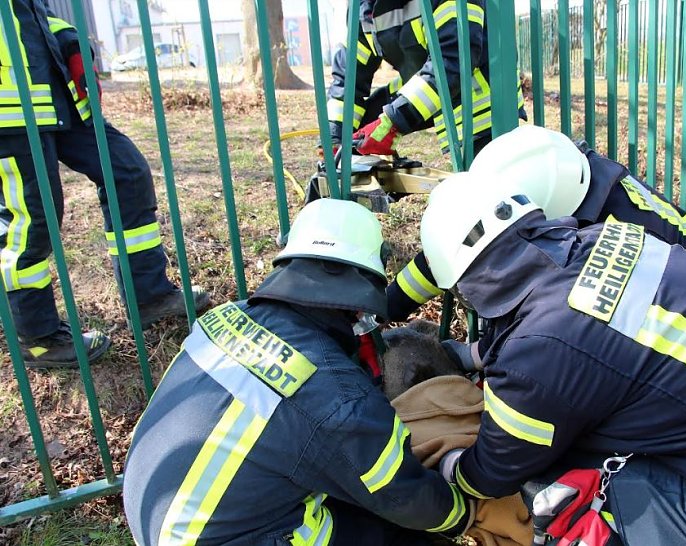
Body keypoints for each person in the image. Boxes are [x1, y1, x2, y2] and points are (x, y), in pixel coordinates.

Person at [418, 174, 686, 545]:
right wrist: (476, 355)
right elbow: (597, 341)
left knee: (568, 490)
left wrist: (450, 466)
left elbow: (494, 472)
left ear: (466, 284)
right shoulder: (611, 238)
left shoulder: (536, 356)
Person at [123, 198, 474, 546]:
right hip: (224, 537)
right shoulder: (337, 397)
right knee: (401, 534)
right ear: (360, 295)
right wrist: (465, 515)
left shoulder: (221, 318)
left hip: (155, 513)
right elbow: (402, 495)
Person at [0, 0, 209, 369]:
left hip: (55, 93)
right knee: (33, 219)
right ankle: (36, 337)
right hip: (11, 109)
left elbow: (33, 17)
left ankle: (148, 296)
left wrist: (73, 46)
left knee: (126, 173)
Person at [386, 125, 686, 326]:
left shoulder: (617, 231)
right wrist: (389, 305)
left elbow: (579, 331)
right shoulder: (564, 172)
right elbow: (459, 249)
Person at [326, 0, 525, 158]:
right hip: (428, 82)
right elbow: (348, 76)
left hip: (481, 95)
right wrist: (336, 135)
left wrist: (393, 122)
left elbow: (454, 61)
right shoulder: (364, 6)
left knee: (484, 183)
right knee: (359, 130)